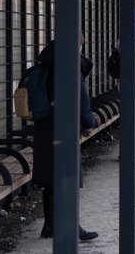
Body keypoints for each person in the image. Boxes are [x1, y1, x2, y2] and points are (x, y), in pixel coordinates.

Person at [33, 37, 99, 241]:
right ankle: (71, 225)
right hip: (63, 126)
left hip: (44, 125)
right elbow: (81, 97)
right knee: (68, 175)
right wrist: (89, 121)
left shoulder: (45, 60)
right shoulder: (69, 64)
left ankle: (50, 225)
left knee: (52, 177)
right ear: (78, 45)